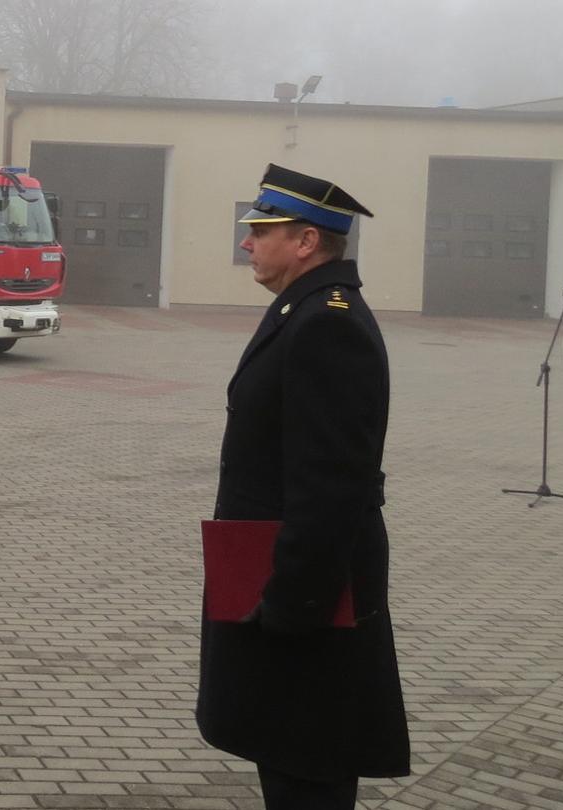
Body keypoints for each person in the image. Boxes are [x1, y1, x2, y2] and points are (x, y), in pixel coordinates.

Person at [200, 164, 408, 809]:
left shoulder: (328, 324)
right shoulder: (306, 310)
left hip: (305, 596)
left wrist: (290, 604)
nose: (246, 242)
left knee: (308, 766)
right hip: (287, 585)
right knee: (290, 753)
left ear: (306, 242)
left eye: (261, 230)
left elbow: (330, 488)